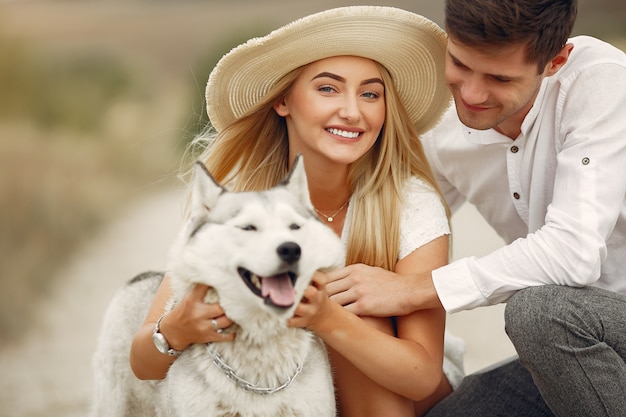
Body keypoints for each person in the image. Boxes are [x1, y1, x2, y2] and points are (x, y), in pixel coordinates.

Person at [129, 6, 466, 417]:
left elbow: (421, 376)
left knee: (351, 307)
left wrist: (326, 319)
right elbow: (142, 362)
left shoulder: (409, 203)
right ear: (283, 100)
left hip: (399, 395)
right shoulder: (240, 204)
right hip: (283, 391)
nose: (352, 111)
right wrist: (176, 329)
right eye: (328, 89)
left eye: (370, 94)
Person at [326, 0, 626, 416]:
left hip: (592, 325)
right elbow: (393, 229)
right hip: (569, 354)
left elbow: (573, 253)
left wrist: (414, 289)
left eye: (500, 78)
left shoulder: (601, 82)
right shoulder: (439, 122)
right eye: (460, 64)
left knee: (539, 312)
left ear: (556, 61)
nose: (471, 94)